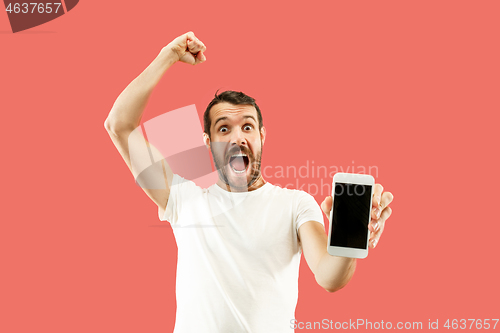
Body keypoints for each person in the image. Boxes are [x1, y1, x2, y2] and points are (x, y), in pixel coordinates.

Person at [104, 31, 394, 333]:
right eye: (224, 129)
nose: (238, 137)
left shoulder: (295, 205)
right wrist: (169, 54)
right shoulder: (182, 199)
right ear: (208, 142)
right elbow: (119, 125)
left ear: (261, 136)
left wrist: (348, 238)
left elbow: (328, 276)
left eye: (247, 127)